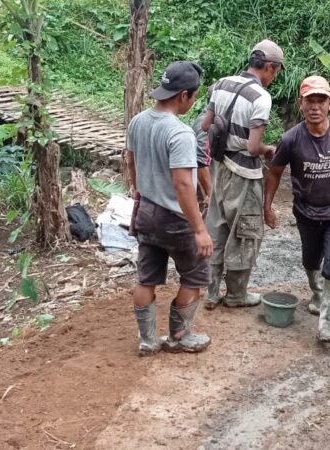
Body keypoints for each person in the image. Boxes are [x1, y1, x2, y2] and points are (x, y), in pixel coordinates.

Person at [264, 75, 330, 343]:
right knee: (310, 260)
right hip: (306, 212)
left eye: (321, 100)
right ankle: (317, 292)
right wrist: (268, 206)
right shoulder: (291, 139)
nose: (315, 106)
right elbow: (274, 173)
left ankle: (326, 323)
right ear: (301, 104)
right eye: (310, 100)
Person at [124, 60, 213, 355]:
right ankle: (179, 336)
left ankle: (147, 341)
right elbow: (183, 185)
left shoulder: (138, 121)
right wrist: (199, 228)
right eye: (195, 96)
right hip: (174, 218)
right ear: (184, 95)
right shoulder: (180, 133)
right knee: (195, 275)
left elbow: (131, 162)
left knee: (146, 278)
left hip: (146, 211)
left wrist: (141, 191)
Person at [201, 39, 283, 309]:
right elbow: (252, 146)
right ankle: (236, 295)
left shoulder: (221, 83)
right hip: (244, 175)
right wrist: (268, 149)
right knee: (246, 232)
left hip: (218, 166)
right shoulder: (261, 97)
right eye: (277, 71)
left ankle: (211, 293)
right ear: (270, 67)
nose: (274, 77)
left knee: (217, 226)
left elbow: (205, 124)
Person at [191, 105, 213, 217]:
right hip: (201, 181)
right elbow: (201, 161)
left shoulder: (204, 118)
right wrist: (210, 193)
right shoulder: (206, 123)